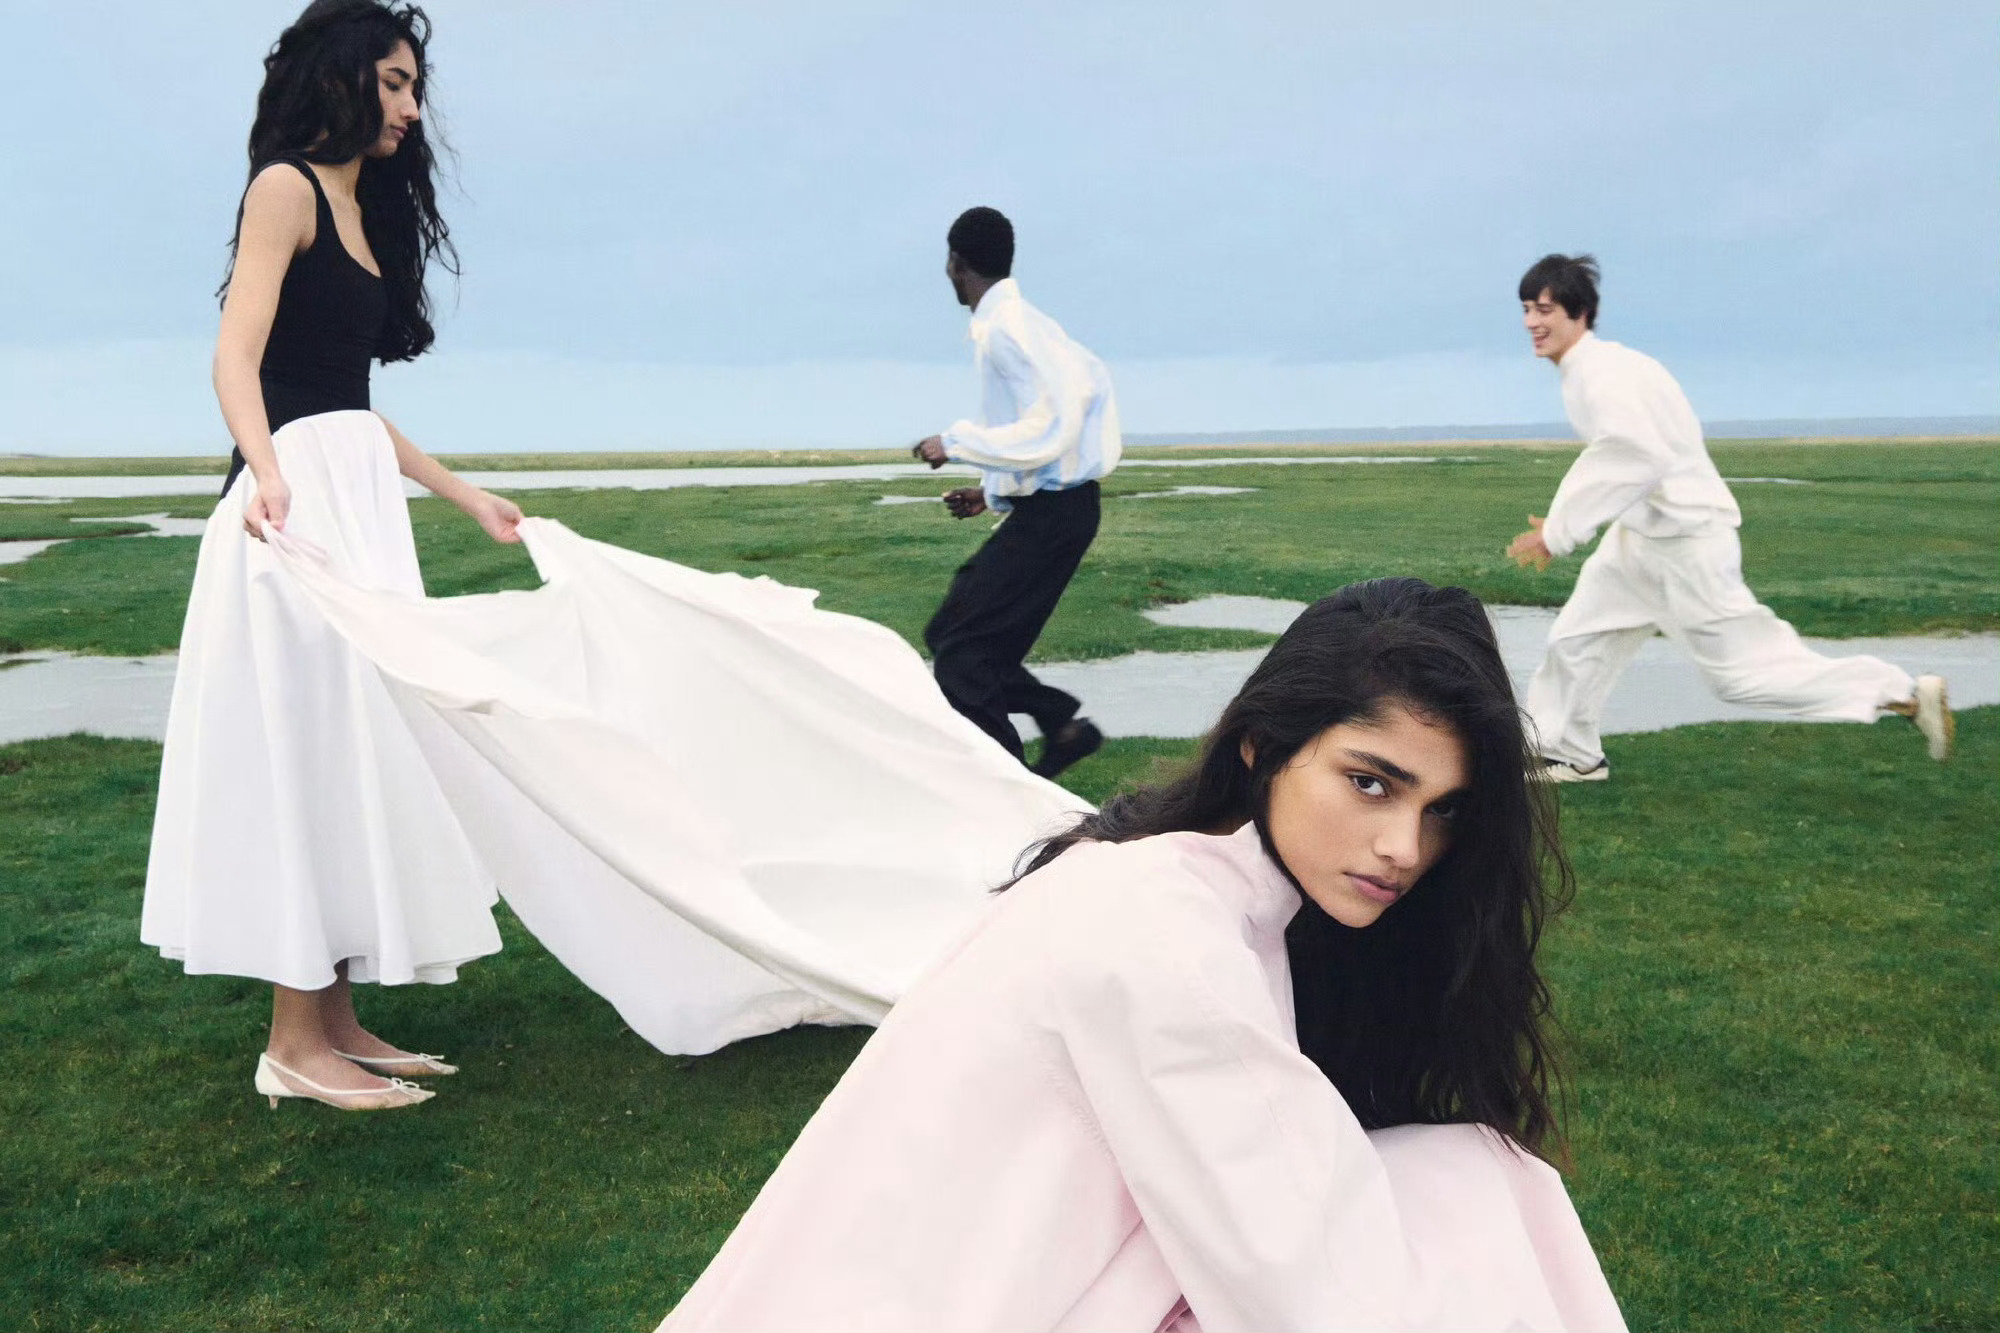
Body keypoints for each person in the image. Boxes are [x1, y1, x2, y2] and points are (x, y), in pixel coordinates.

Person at [660, 578, 1627, 1332]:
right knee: (1487, 1192)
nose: (1405, 848)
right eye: (1371, 783)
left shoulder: (1159, 875)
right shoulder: (1168, 940)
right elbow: (1315, 1300)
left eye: (1444, 810)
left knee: (1467, 1182)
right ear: (1260, 746)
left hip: (941, 1288)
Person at [141, 0, 526, 1111]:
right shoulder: (286, 189)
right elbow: (236, 357)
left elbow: (351, 400)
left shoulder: (362, 209)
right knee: (304, 760)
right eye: (394, 83)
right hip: (294, 511)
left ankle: (338, 1020)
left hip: (353, 498)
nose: (410, 108)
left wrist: (464, 495)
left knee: (358, 749)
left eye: (415, 89)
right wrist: (266, 474)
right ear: (343, 78)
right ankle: (290, 1044)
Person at [1507, 254, 1953, 782]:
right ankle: (1570, 753)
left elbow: (1636, 454)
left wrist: (1558, 532)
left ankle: (1904, 693)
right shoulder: (1604, 368)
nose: (1532, 322)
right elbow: (1634, 456)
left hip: (1689, 544)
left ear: (1579, 313)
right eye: (1527, 309)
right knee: (1578, 638)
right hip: (1643, 539)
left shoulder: (1603, 374)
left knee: (1741, 677)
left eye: (1544, 310)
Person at [912, 206, 1121, 778]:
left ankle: (1010, 791)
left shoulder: (1008, 330)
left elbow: (1051, 425)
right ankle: (1061, 725)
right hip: (1054, 509)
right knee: (952, 636)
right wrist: (993, 491)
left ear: (955, 263)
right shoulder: (1028, 324)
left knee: (963, 660)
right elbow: (1075, 398)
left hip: (1057, 515)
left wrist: (955, 443)